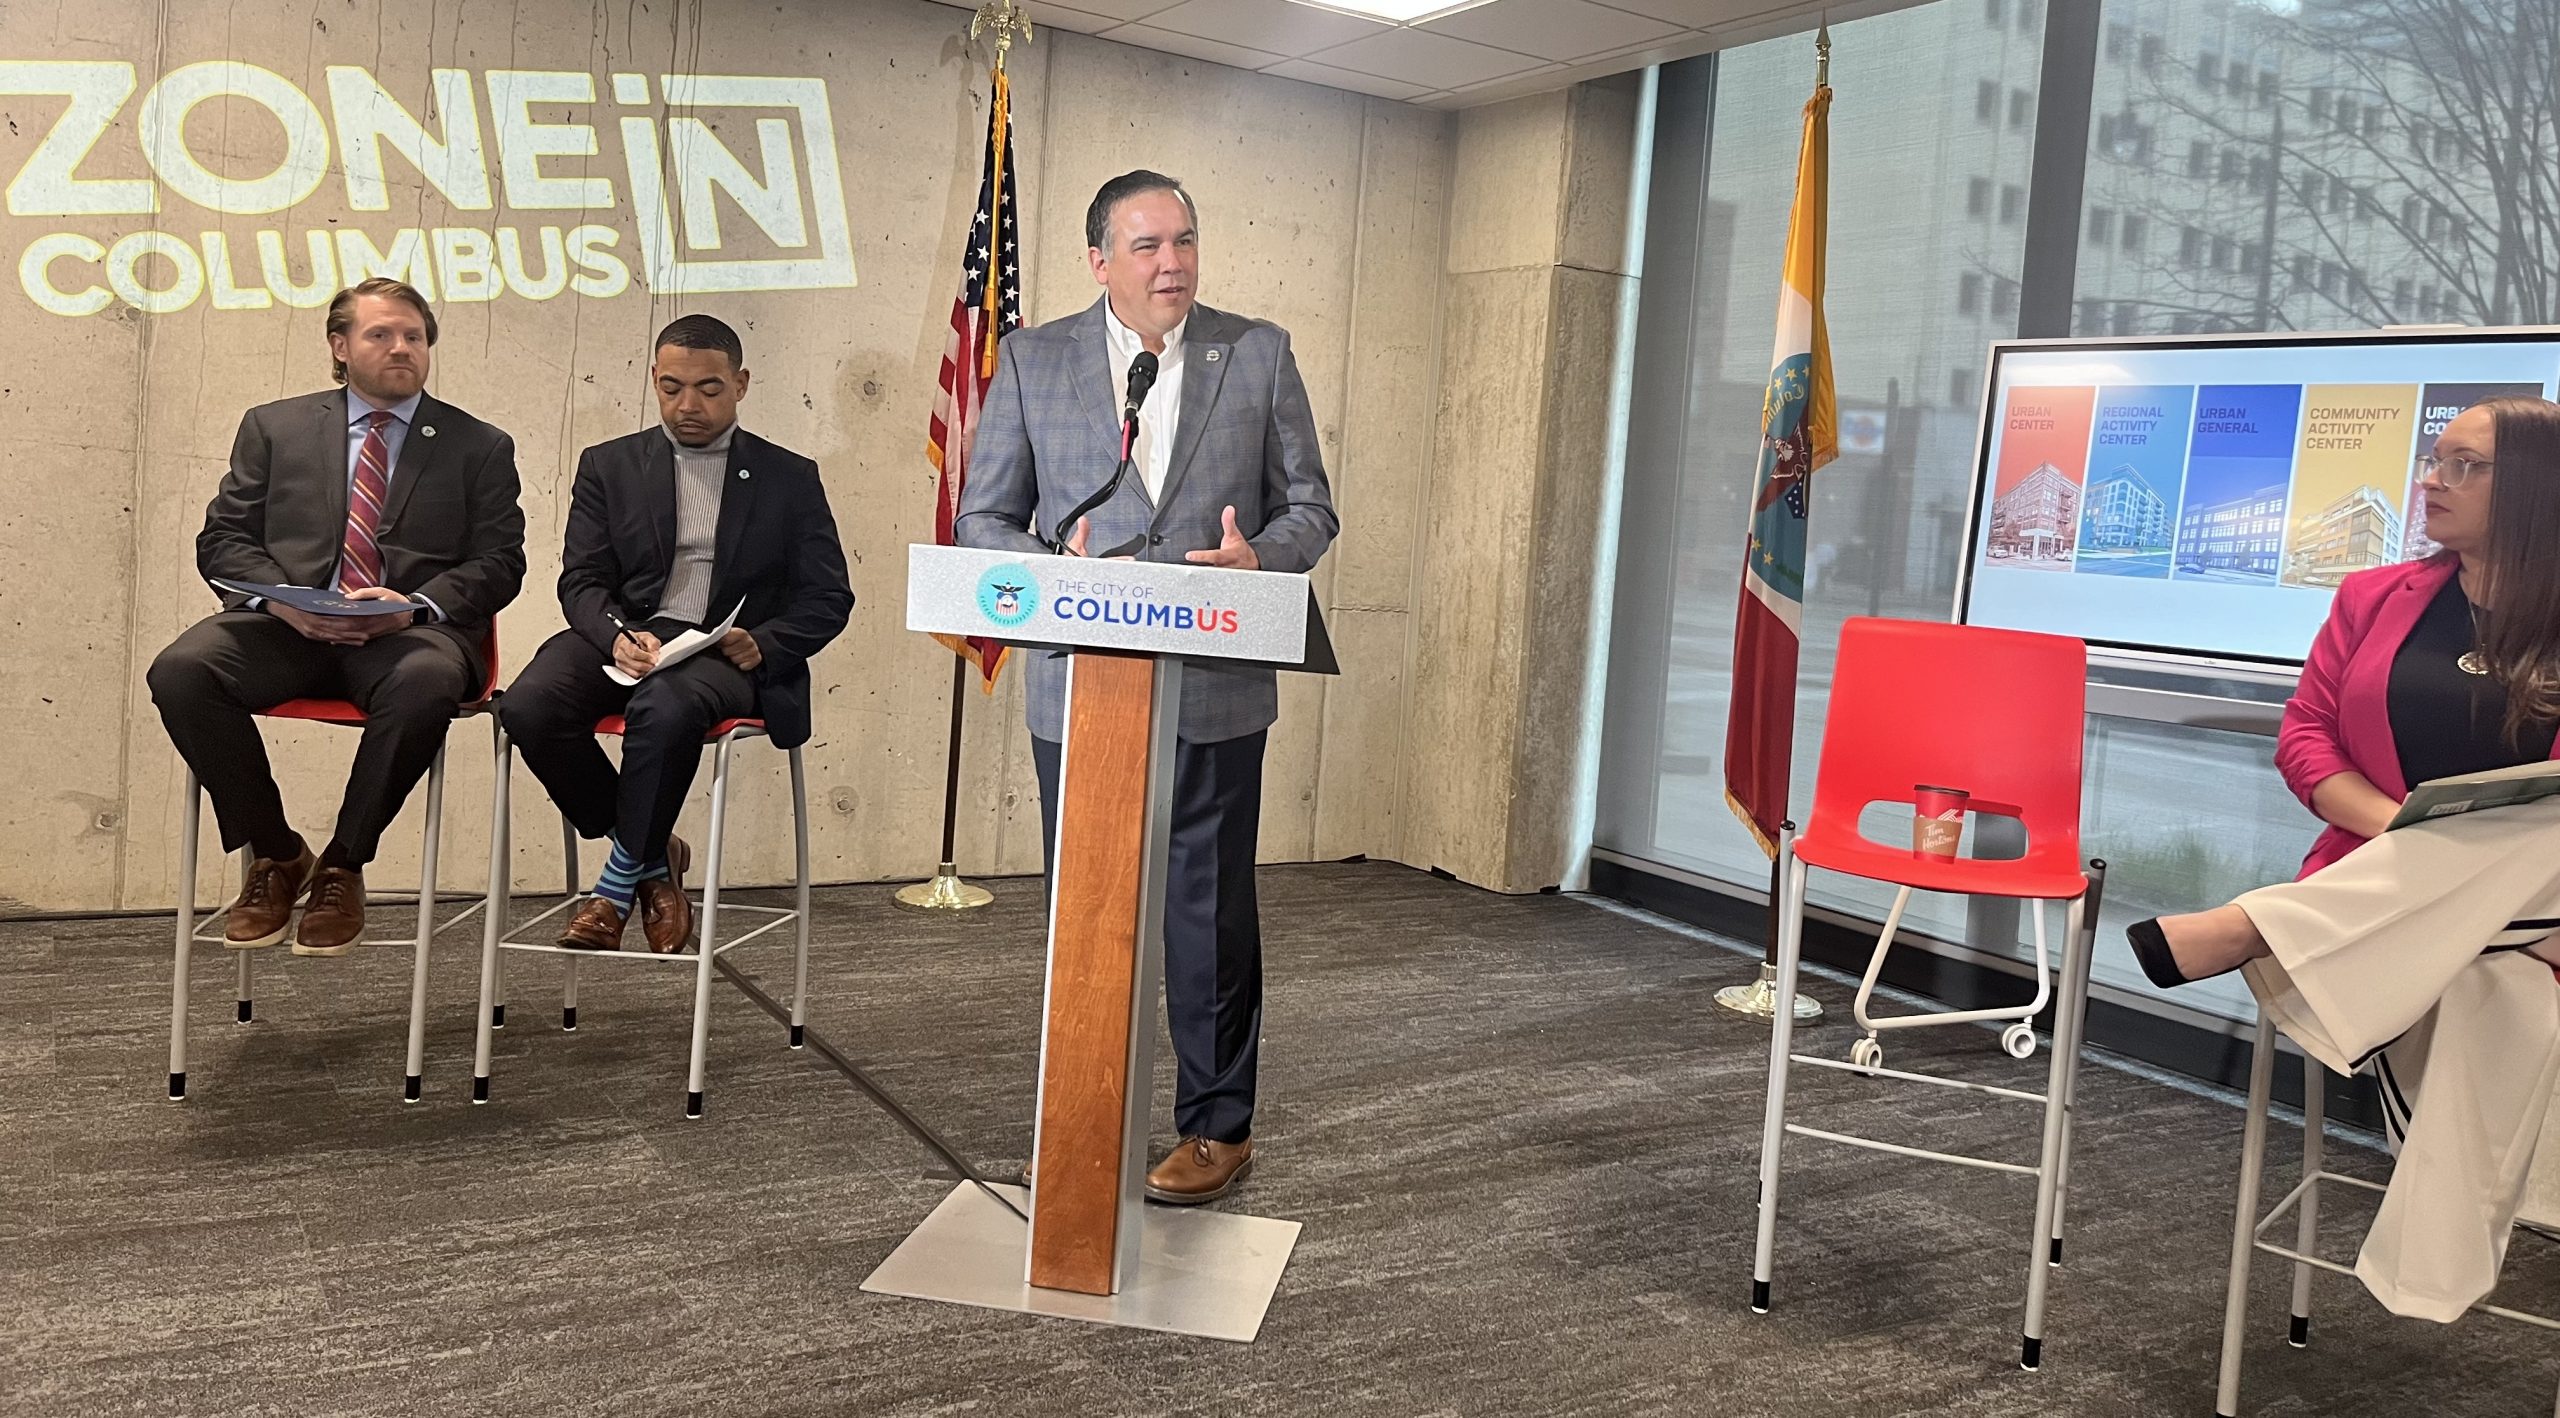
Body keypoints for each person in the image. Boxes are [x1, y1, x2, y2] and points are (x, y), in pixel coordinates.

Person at [2130, 395, 2560, 1323]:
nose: (2432, 481)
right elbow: (2307, 739)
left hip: (2547, 896)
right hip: (2415, 903)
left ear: (2535, 486)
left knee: (2542, 834)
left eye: (2465, 465)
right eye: (2434, 459)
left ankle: (2261, 927)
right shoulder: (2375, 598)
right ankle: (2431, 1274)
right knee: (2496, 991)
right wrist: (2408, 830)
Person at [956, 170, 1338, 1204]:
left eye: (1185, 241)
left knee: (1205, 915)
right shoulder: (1033, 360)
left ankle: (1216, 1126)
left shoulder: (1256, 352)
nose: (1173, 263)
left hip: (1215, 682)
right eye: (1147, 246)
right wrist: (1051, 567)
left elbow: (1310, 508)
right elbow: (983, 517)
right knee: (1086, 910)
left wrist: (1258, 558)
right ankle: (1085, 1116)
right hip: (1082, 686)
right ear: (1099, 262)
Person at [149, 278, 525, 956]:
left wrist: (413, 606)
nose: (402, 347)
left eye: (414, 336)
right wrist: (284, 601)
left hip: (407, 637)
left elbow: (501, 562)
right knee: (181, 671)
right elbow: (224, 539)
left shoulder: (478, 445)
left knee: (426, 684)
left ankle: (343, 866)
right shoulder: (275, 427)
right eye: (381, 334)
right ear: (340, 346)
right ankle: (277, 854)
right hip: (287, 629)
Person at [497, 315, 852, 953]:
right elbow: (582, 580)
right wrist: (615, 637)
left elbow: (828, 597)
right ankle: (654, 860)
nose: (688, 405)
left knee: (665, 706)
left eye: (709, 389)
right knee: (527, 704)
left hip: (726, 651)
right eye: (671, 388)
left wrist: (768, 642)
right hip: (631, 634)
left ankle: (614, 889)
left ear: (740, 384)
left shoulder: (788, 477)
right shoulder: (609, 465)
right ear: (654, 381)